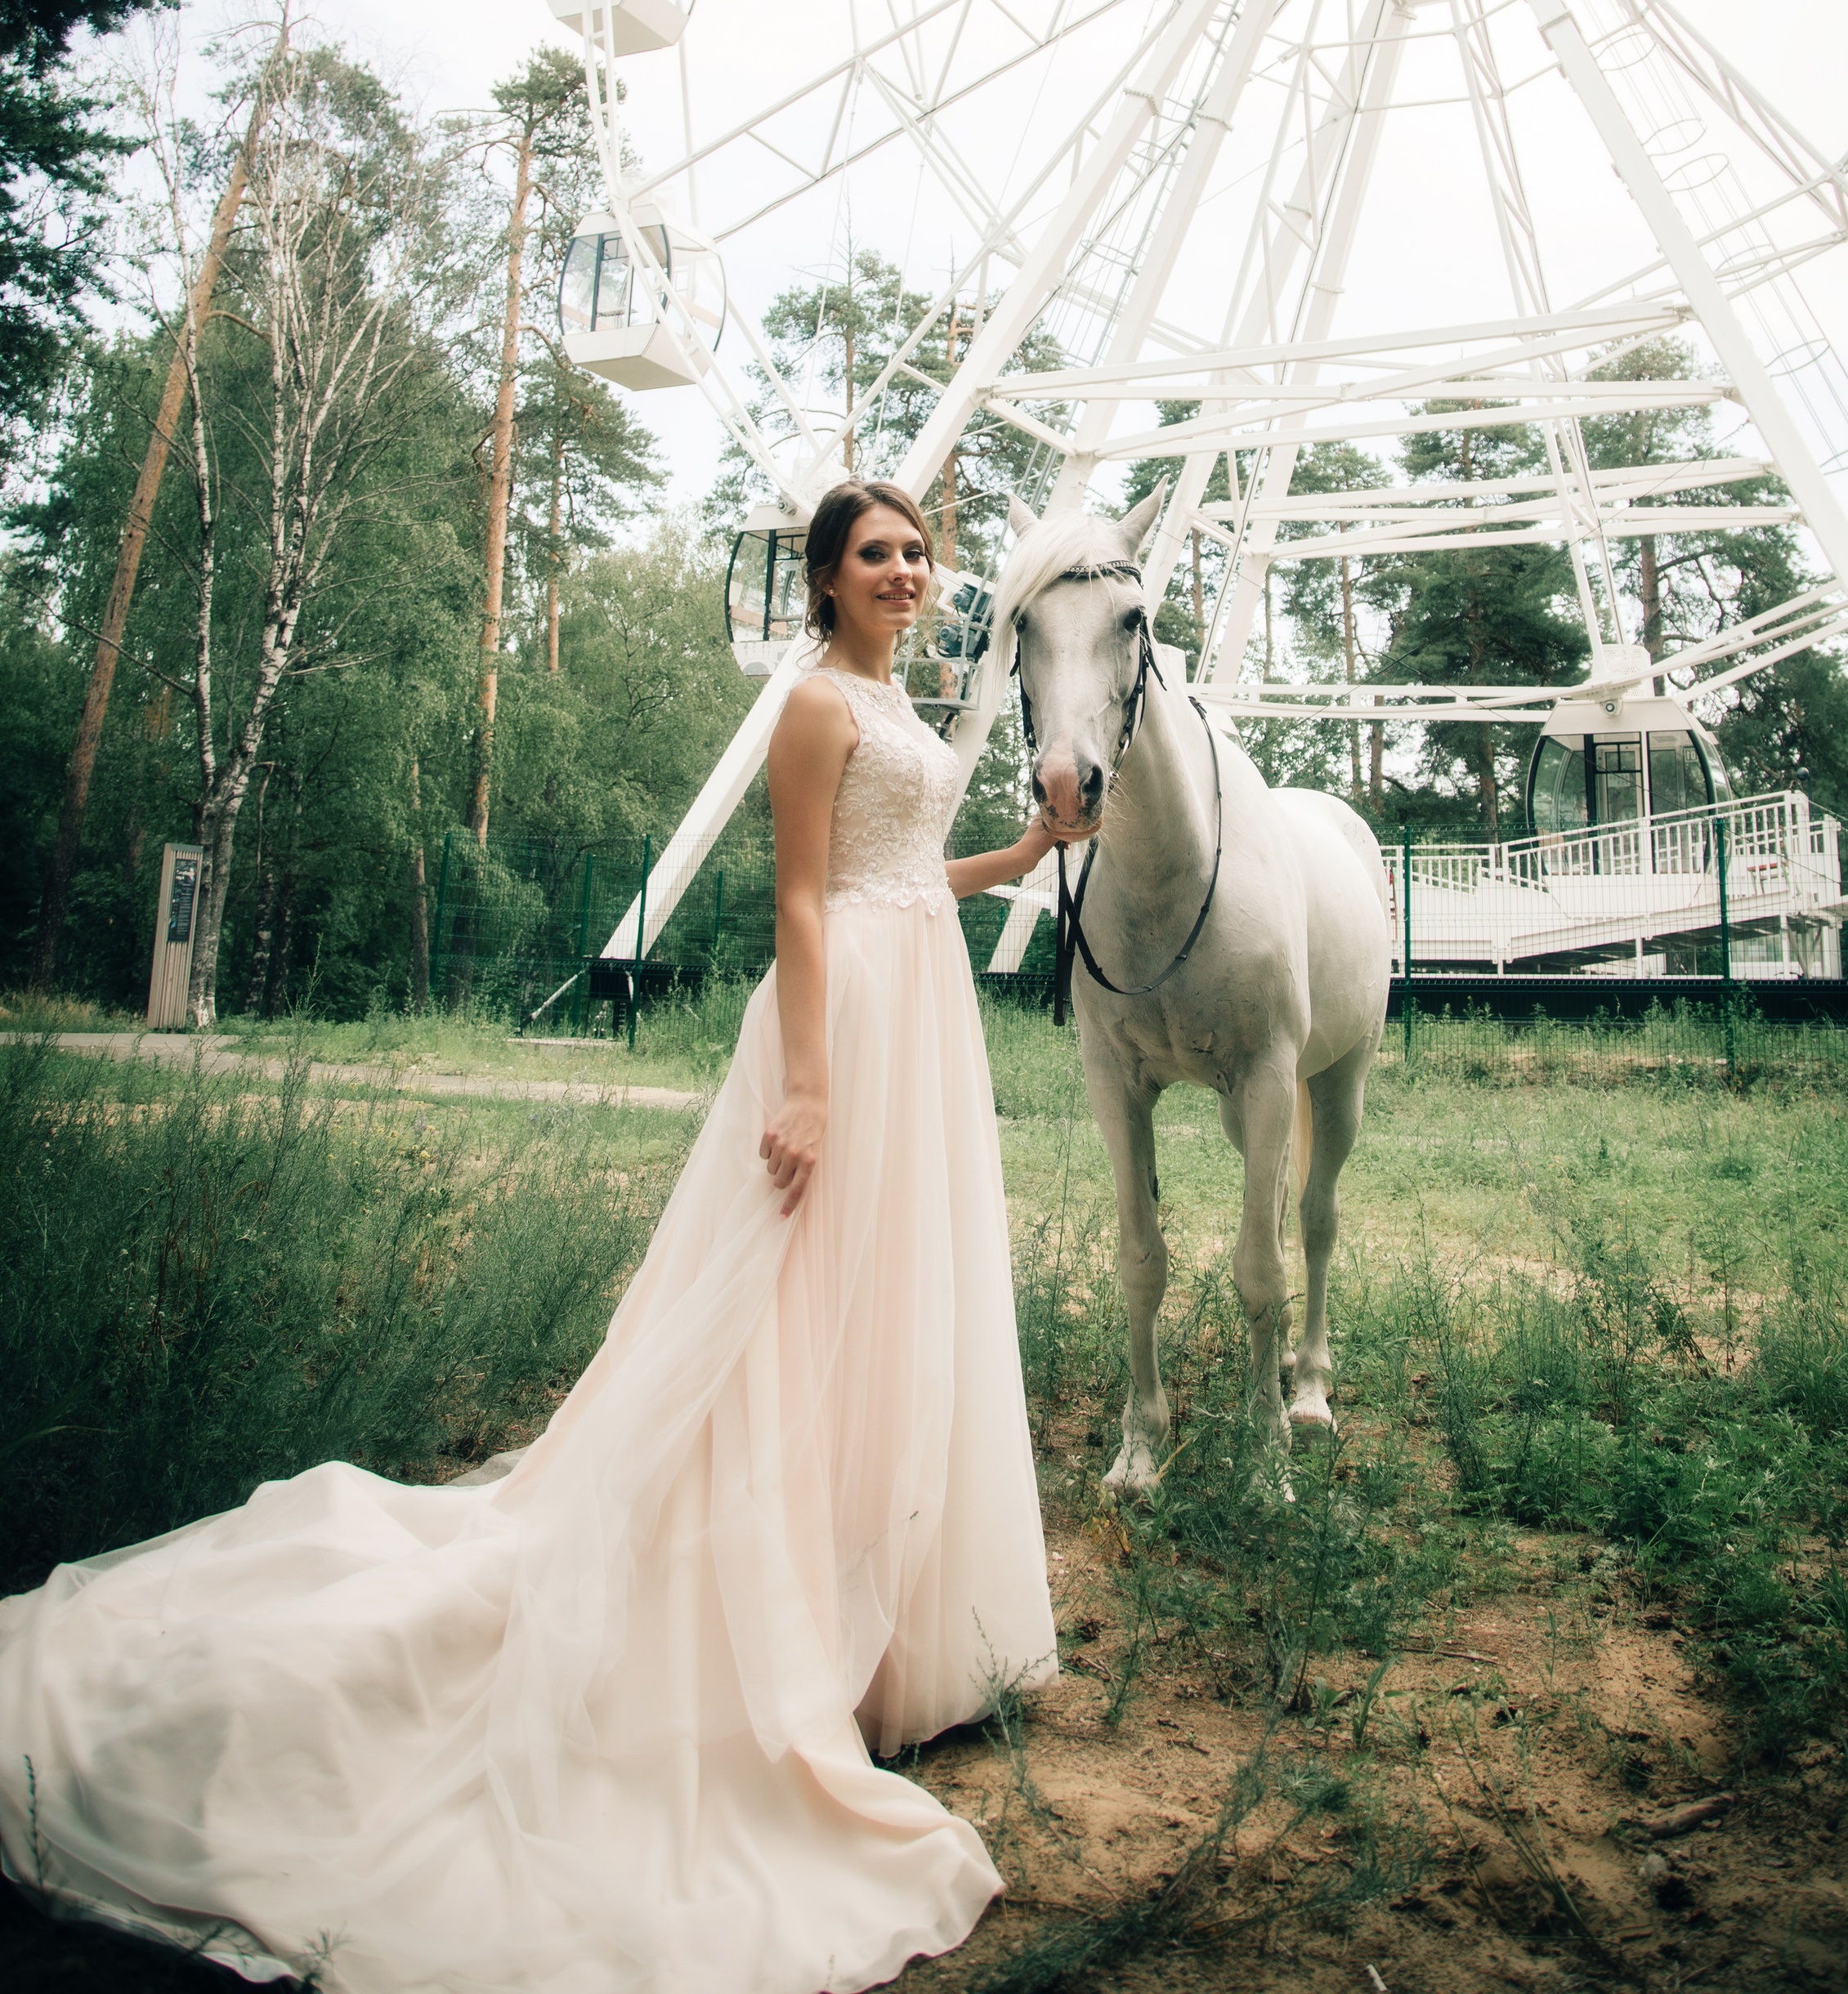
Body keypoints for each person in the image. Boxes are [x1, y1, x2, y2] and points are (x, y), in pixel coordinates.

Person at [0, 479, 1067, 1994]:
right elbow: (803, 905)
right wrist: (813, 1081)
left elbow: (897, 880)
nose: (903, 572)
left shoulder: (901, 712)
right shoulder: (816, 706)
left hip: (924, 1011)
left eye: (914, 553)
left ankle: (880, 1624)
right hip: (849, 1033)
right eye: (871, 556)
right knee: (789, 1313)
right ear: (823, 583)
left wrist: (1020, 857)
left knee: (892, 1310)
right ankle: (767, 1631)